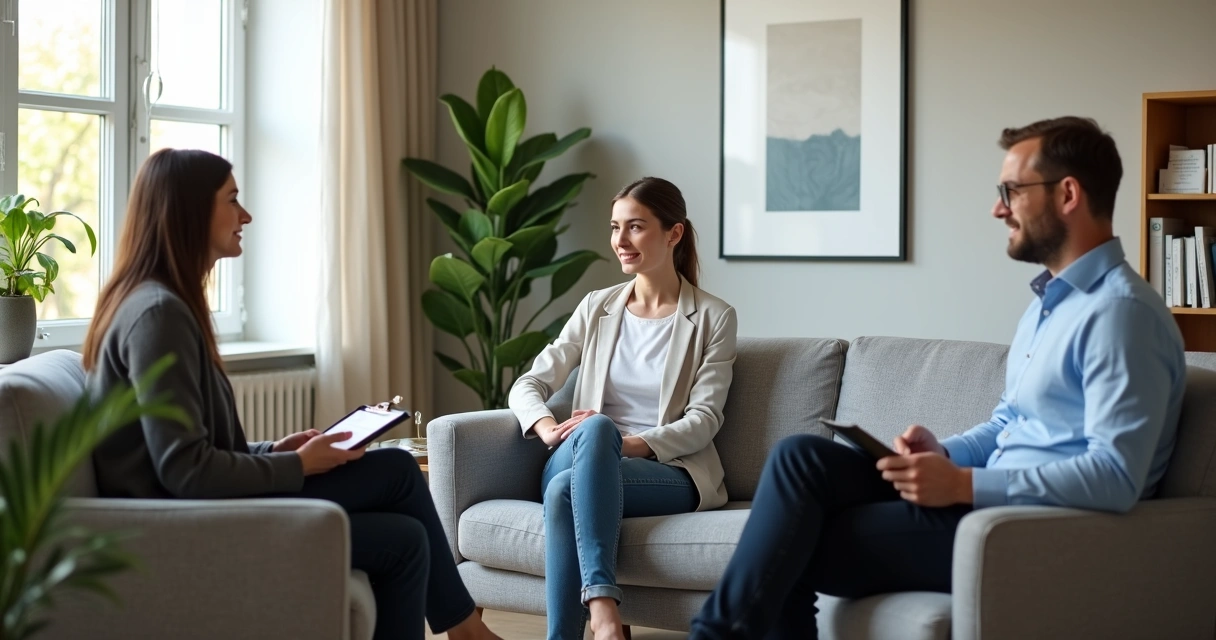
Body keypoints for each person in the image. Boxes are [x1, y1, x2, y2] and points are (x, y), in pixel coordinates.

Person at [689, 116, 1187, 639]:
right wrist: (944, 455)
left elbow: (1115, 477)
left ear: (1068, 194)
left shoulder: (1121, 314)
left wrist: (965, 484)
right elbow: (1009, 421)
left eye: (1012, 191)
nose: (999, 208)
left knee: (796, 536)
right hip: (978, 501)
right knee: (801, 456)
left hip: (1023, 528)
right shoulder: (1051, 304)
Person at [83, 148, 501, 640]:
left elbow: (193, 451)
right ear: (189, 210)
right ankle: (468, 631)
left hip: (202, 509)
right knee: (401, 508)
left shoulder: (162, 304)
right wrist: (299, 465)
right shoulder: (158, 314)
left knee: (400, 491)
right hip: (183, 529)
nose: (247, 215)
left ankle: (466, 630)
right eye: (232, 199)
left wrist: (276, 451)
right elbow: (184, 471)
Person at [509, 177, 738, 640]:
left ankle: (579, 625)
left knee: (565, 491)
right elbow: (528, 383)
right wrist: (548, 426)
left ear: (673, 234)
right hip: (575, 454)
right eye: (615, 227)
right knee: (593, 431)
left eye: (635, 227)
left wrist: (625, 443)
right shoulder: (597, 306)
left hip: (667, 470)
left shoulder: (714, 317)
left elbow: (704, 419)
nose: (620, 241)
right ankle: (604, 608)